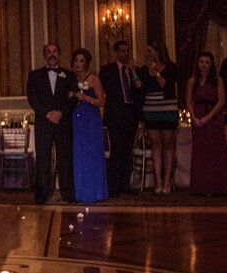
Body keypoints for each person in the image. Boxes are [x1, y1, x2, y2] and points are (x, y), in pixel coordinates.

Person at [26, 43, 77, 204]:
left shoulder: (69, 75)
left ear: (59, 55)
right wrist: (47, 114)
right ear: (44, 56)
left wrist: (61, 113)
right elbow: (32, 98)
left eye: (55, 51)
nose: (52, 54)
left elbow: (74, 99)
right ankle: (42, 196)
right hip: (43, 123)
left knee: (65, 159)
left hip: (63, 123)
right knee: (42, 160)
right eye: (48, 52)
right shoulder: (35, 75)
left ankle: (67, 194)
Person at [99, 40, 143, 197]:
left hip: (130, 115)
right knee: (116, 149)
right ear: (116, 53)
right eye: (122, 51)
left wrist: (132, 71)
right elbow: (107, 90)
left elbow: (139, 88)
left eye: (127, 51)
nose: (125, 54)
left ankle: (125, 184)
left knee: (127, 151)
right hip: (115, 115)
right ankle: (114, 186)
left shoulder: (133, 70)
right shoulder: (107, 70)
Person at [186, 51, 227, 195]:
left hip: (213, 117)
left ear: (211, 64)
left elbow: (221, 101)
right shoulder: (192, 81)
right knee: (200, 153)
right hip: (197, 117)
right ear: (198, 64)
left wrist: (208, 117)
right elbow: (188, 101)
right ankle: (201, 187)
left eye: (207, 62)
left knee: (214, 151)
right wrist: (193, 118)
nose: (204, 65)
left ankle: (216, 187)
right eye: (201, 62)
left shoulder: (218, 80)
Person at [138, 40, 179, 194]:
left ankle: (167, 181)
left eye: (150, 50)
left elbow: (166, 86)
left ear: (158, 51)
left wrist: (156, 72)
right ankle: (157, 182)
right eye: (147, 51)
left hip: (167, 107)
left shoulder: (171, 67)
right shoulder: (143, 69)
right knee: (155, 145)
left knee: (168, 145)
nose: (147, 53)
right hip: (151, 107)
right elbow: (141, 88)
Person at [71, 48, 108, 203]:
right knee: (78, 155)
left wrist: (86, 98)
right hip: (76, 119)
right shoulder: (71, 79)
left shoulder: (93, 79)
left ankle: (95, 192)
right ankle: (80, 192)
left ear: (86, 63)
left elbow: (101, 101)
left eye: (81, 61)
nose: (78, 64)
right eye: (76, 60)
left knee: (92, 154)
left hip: (91, 120)